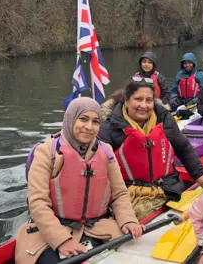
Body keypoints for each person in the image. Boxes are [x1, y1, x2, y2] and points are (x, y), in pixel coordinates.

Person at [15, 98, 143, 264]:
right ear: (70, 119)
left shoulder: (106, 151)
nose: (89, 127)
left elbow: (119, 194)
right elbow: (38, 202)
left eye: (95, 121)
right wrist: (61, 240)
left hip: (97, 228)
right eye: (83, 119)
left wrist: (128, 220)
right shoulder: (46, 152)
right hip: (52, 231)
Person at [99, 79, 203, 220]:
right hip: (130, 191)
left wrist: (199, 174)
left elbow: (183, 148)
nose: (144, 105)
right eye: (138, 99)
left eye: (149, 100)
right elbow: (99, 166)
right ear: (126, 100)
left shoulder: (165, 119)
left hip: (168, 187)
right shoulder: (108, 127)